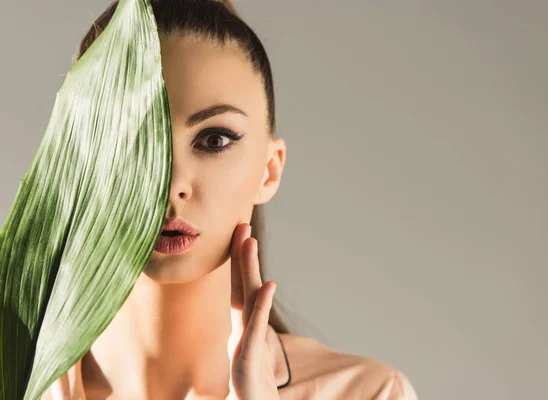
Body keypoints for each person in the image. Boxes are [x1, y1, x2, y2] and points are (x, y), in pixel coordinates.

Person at [42, 1, 418, 399]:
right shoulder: (16, 382)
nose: (172, 184)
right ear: (76, 165)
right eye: (132, 140)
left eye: (214, 140)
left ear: (269, 170)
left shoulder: (369, 394)